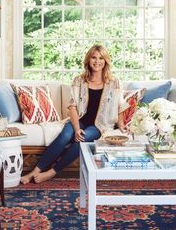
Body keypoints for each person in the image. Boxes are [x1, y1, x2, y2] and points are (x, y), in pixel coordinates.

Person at [20, 44, 129, 184]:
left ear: (105, 61)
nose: (97, 61)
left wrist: (121, 125)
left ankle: (52, 172)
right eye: (94, 57)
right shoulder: (79, 80)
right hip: (80, 119)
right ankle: (34, 172)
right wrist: (77, 129)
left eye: (101, 58)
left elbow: (120, 105)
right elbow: (72, 106)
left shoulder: (114, 82)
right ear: (88, 60)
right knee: (65, 135)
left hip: (99, 125)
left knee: (82, 139)